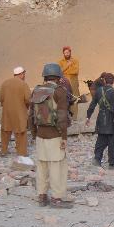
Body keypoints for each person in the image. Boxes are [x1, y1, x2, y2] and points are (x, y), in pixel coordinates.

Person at [29, 63, 71, 208]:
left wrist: (34, 134)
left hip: (40, 135)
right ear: (58, 77)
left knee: (41, 166)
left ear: (45, 76)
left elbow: (31, 115)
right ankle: (56, 198)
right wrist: (64, 137)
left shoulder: (36, 90)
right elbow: (62, 117)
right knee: (57, 166)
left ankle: (42, 196)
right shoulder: (59, 91)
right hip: (55, 135)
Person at [85, 72, 114, 169]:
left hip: (101, 119)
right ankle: (111, 164)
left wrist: (88, 117)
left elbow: (92, 105)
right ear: (113, 82)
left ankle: (97, 159)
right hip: (111, 120)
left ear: (104, 81)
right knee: (113, 142)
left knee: (100, 140)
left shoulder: (98, 91)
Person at [0, 66, 31, 156]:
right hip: (20, 112)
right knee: (21, 131)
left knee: (5, 131)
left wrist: (5, 105)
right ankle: (21, 152)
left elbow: (1, 97)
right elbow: (28, 99)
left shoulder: (5, 83)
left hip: (7, 112)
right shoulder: (23, 84)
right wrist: (27, 106)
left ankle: (4, 151)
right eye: (23, 74)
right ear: (21, 74)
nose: (24, 75)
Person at [58, 46, 80, 119]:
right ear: (63, 54)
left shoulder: (75, 60)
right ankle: (67, 117)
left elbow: (76, 71)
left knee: (75, 98)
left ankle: (74, 117)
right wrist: (67, 65)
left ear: (70, 52)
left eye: (68, 52)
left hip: (73, 81)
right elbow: (59, 71)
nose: (66, 54)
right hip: (64, 82)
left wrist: (65, 71)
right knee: (65, 98)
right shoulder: (60, 62)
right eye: (65, 53)